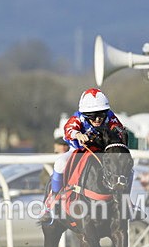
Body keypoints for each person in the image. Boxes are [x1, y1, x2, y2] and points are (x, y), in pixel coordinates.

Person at [43, 88, 128, 216]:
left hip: (102, 151)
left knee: (128, 168)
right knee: (60, 163)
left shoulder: (110, 116)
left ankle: (127, 201)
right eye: (93, 116)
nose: (98, 119)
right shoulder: (78, 117)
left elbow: (119, 130)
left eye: (101, 114)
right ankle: (53, 198)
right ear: (85, 114)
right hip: (79, 149)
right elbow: (69, 129)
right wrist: (77, 134)